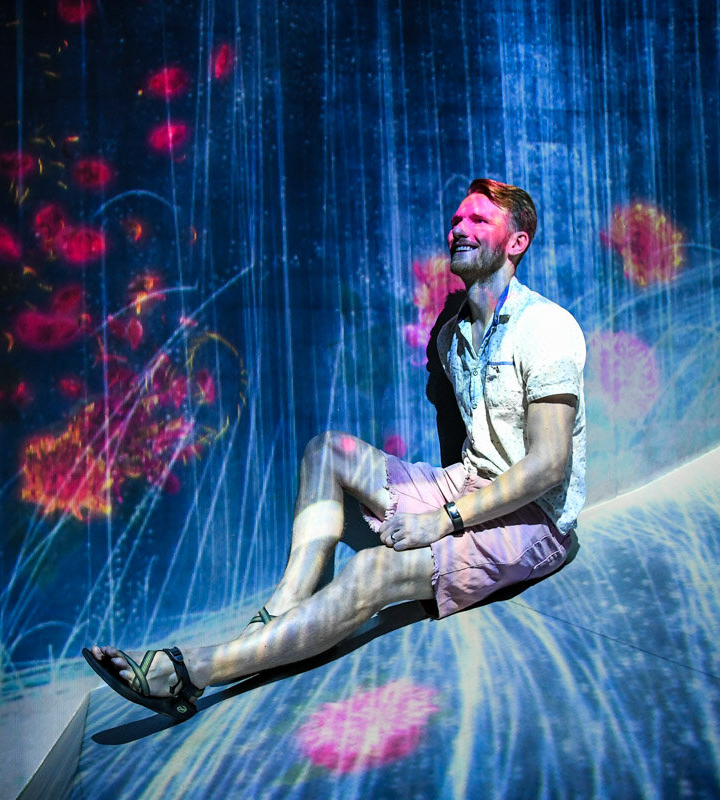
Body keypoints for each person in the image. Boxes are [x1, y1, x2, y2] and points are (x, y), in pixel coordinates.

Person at [84, 178, 586, 720]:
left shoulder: (547, 327)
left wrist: (441, 522)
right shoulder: (452, 335)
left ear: (517, 243)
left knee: (372, 573)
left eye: (478, 221)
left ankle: (189, 671)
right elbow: (469, 449)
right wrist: (437, 509)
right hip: (470, 483)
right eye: (457, 220)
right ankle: (283, 609)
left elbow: (548, 465)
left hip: (535, 519)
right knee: (327, 449)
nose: (458, 229)